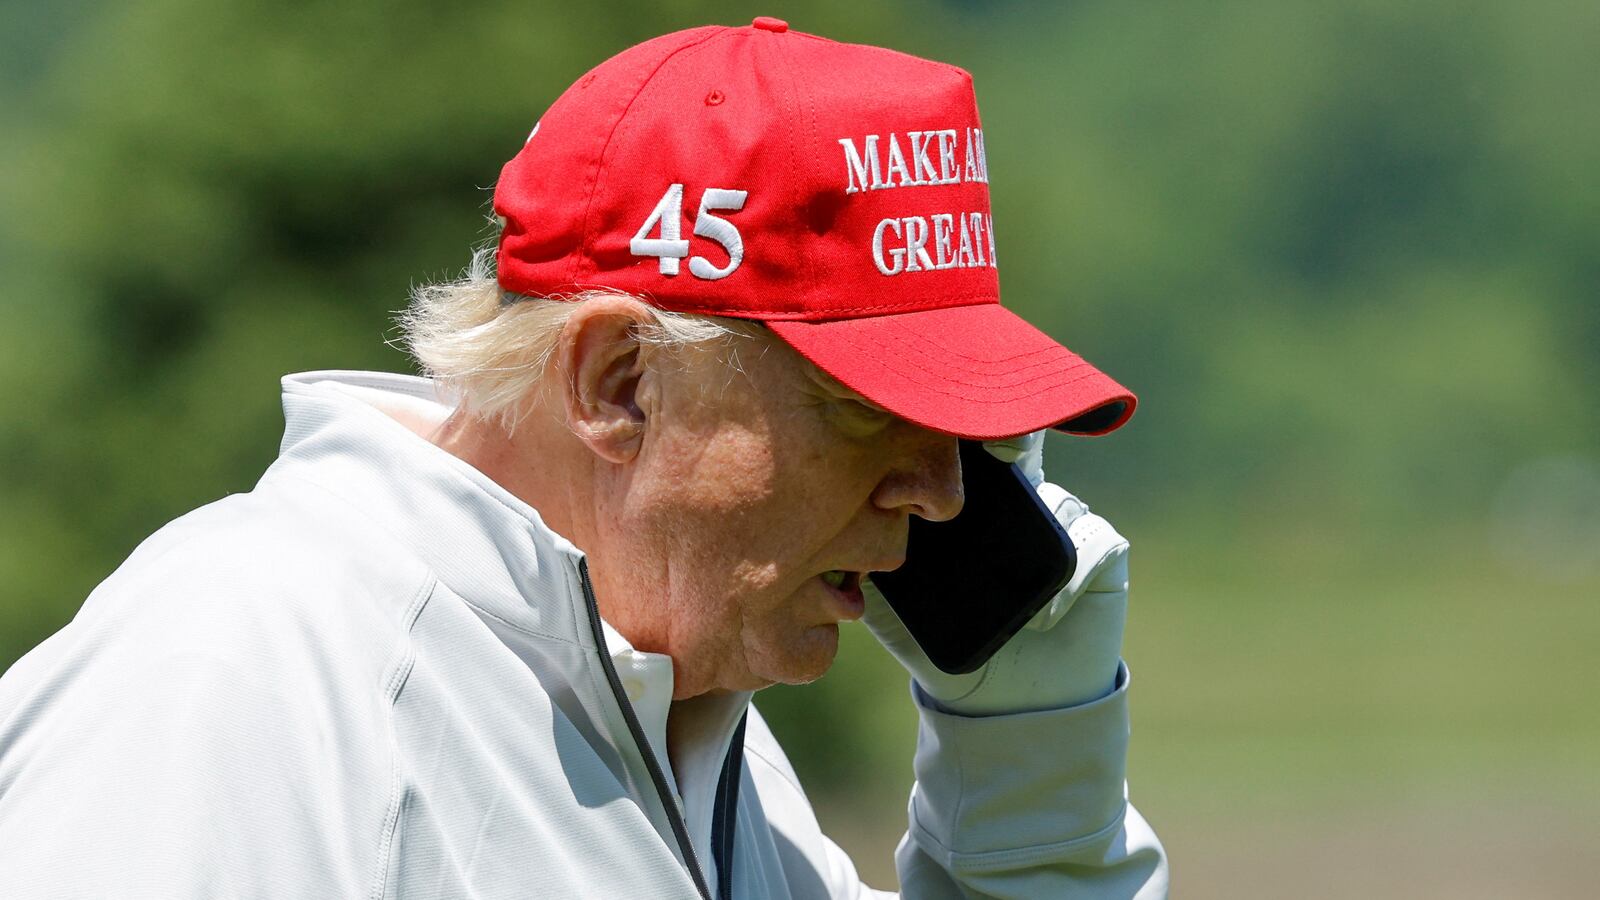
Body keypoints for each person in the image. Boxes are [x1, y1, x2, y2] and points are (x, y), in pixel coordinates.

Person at [0, 17, 1168, 899]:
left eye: (961, 429)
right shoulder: (239, 674)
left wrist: (1030, 766)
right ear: (618, 385)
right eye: (872, 413)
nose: (945, 493)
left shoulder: (696, 728)